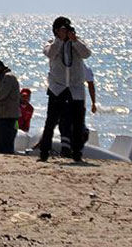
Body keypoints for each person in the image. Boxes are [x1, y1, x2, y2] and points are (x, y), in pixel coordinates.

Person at [39, 17, 92, 163]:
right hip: (58, 87)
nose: (66, 31)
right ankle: (44, 151)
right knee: (51, 121)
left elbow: (86, 54)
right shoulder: (51, 43)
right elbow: (50, 53)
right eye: (62, 29)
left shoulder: (77, 42)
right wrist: (60, 40)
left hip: (76, 88)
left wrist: (74, 40)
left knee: (78, 122)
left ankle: (77, 153)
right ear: (56, 30)